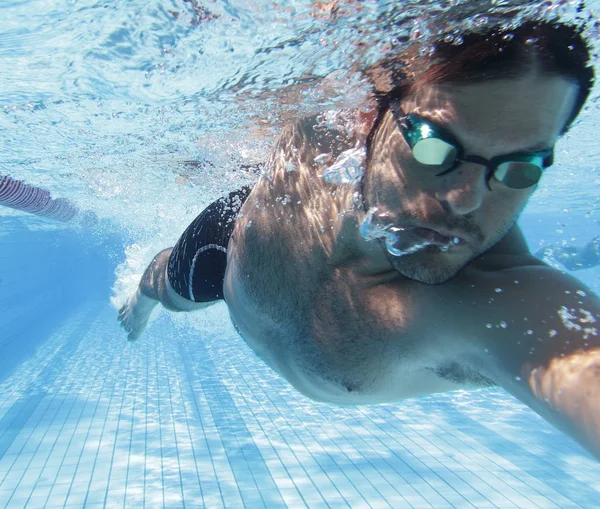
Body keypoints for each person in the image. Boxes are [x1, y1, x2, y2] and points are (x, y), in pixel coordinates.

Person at [119, 20, 600, 460]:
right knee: (164, 290)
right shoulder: (327, 112)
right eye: (436, 147)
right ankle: (138, 304)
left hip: (253, 268)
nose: (466, 200)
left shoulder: (501, 303)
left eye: (521, 168)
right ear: (369, 114)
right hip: (229, 243)